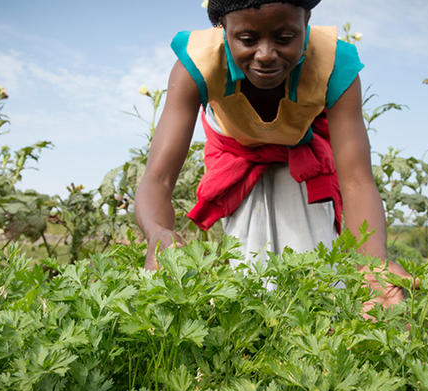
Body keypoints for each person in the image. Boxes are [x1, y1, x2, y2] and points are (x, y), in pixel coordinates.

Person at [135, 0, 413, 309]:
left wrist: (372, 266)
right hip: (236, 155)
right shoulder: (198, 64)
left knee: (319, 286)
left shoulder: (334, 64)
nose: (265, 55)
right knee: (247, 280)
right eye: (247, 40)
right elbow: (157, 179)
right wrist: (158, 232)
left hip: (303, 155)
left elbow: (358, 182)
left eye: (284, 39)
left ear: (306, 21)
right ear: (223, 29)